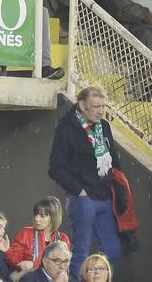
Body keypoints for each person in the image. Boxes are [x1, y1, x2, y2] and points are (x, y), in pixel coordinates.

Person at [46, 87, 119, 278]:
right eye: (95, 106)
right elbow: (55, 167)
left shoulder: (104, 126)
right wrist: (79, 191)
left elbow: (114, 160)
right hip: (83, 197)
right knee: (81, 252)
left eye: (103, 106)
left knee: (112, 250)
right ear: (82, 105)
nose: (100, 111)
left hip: (105, 195)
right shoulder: (66, 128)